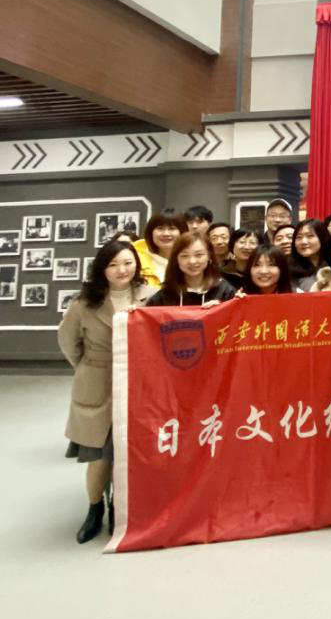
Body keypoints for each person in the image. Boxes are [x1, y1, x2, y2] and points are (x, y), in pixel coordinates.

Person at [59, 241, 155, 543]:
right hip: (97, 382)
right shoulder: (83, 302)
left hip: (139, 381)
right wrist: (88, 368)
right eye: (113, 264)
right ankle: (94, 509)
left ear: (136, 264)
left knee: (128, 453)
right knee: (99, 455)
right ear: (102, 269)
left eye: (127, 262)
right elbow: (68, 342)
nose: (121, 270)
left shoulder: (151, 295)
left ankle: (119, 507)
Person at [146, 232, 236, 307]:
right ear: (176, 259)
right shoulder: (164, 296)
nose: (192, 261)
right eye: (184, 256)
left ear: (209, 257)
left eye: (199, 255)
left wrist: (220, 311)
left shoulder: (225, 292)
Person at [133, 210, 188, 286]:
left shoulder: (191, 261)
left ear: (182, 232)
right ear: (151, 232)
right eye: (160, 228)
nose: (166, 233)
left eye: (172, 228)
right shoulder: (135, 260)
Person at [290, 219, 328, 291]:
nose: (303, 242)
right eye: (299, 237)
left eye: (310, 236)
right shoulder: (289, 270)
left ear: (322, 238)